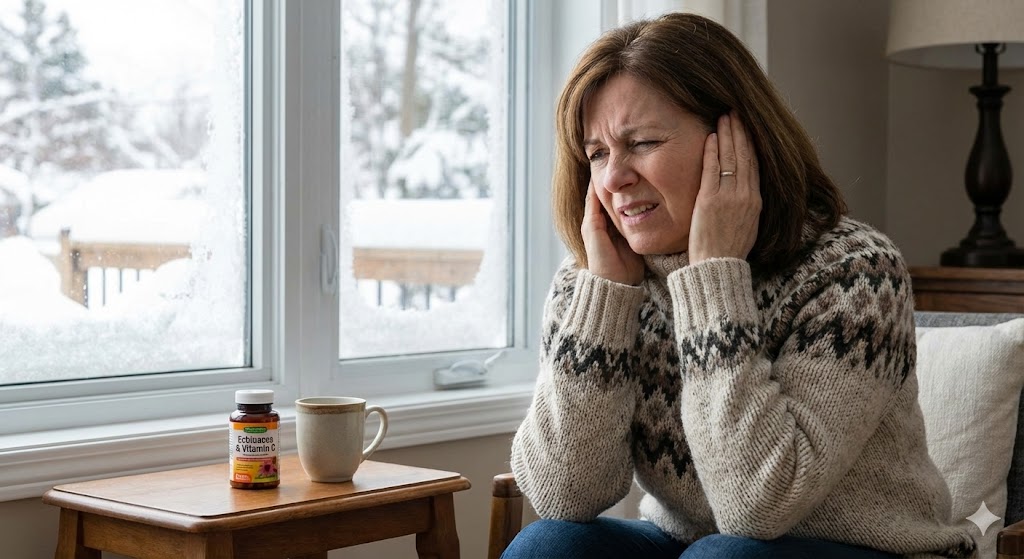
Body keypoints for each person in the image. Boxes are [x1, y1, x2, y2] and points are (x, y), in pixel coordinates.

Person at [503, 12, 976, 559]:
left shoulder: (854, 272)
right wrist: (605, 296)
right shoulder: (593, 278)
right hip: (694, 545)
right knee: (551, 544)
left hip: (871, 548)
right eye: (598, 153)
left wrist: (713, 279)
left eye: (643, 142)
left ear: (735, 144)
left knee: (728, 556)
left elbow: (759, 506)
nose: (612, 178)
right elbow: (564, 493)